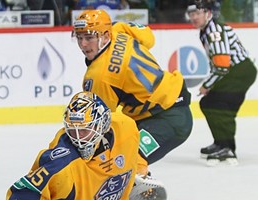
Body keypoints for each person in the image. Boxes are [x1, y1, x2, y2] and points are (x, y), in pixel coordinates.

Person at [6, 91, 167, 200]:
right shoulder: (60, 162)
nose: (78, 138)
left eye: (84, 131)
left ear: (103, 125)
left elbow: (134, 156)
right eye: (72, 131)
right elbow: (21, 199)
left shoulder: (125, 127)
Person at [72, 9, 193, 165]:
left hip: (169, 119)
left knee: (125, 160)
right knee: (117, 154)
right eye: (79, 37)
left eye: (89, 37)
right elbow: (149, 38)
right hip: (164, 106)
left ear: (105, 36)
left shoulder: (99, 76)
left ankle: (146, 190)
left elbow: (100, 122)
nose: (83, 44)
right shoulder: (117, 29)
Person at [187, 0, 257, 166]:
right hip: (234, 73)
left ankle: (227, 148)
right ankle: (221, 143)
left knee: (219, 106)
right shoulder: (206, 30)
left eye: (197, 13)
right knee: (210, 104)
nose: (193, 17)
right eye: (191, 14)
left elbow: (221, 66)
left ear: (208, 13)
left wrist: (207, 85)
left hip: (239, 72)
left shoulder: (214, 31)